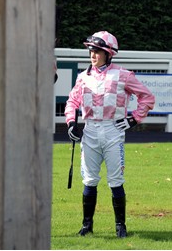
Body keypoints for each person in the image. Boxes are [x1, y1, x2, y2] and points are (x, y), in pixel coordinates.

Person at [64, 31, 155, 238]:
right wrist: (70, 122)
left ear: (108, 53)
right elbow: (72, 102)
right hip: (90, 131)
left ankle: (120, 226)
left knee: (115, 179)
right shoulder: (83, 77)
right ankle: (87, 226)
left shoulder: (123, 75)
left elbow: (147, 97)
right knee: (89, 180)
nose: (92, 55)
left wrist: (134, 119)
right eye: (90, 51)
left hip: (113, 131)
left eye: (97, 51)